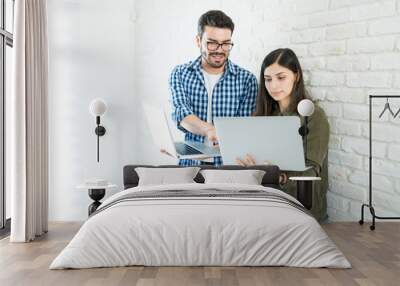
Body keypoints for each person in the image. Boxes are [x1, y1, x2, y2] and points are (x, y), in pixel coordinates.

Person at [236, 48, 330, 222]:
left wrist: (276, 176)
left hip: (303, 211)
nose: (273, 85)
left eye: (281, 77)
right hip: (268, 207)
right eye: (268, 79)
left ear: (296, 76)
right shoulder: (263, 116)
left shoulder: (314, 116)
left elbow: (312, 173)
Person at [169, 10, 258, 166]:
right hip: (190, 167)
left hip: (229, 167)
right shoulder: (180, 74)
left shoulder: (247, 80)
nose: (219, 49)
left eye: (226, 43)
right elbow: (182, 115)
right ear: (198, 41)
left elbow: (244, 129)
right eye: (212, 43)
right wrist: (210, 130)